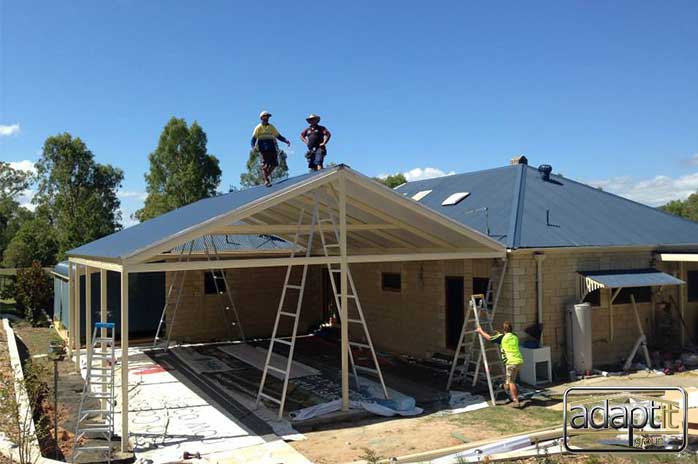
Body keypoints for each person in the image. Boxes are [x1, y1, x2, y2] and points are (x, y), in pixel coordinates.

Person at [476, 320, 524, 407]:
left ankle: (515, 400)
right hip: (519, 361)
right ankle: (505, 387)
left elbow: (490, 338)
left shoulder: (502, 338)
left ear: (503, 330)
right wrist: (499, 335)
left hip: (511, 362)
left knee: (511, 382)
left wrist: (480, 331)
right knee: (509, 380)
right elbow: (506, 337)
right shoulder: (515, 336)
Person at [251, 111, 291, 186]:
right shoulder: (258, 127)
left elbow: (278, 136)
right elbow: (253, 139)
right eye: (265, 116)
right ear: (261, 118)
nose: (267, 118)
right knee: (265, 165)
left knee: (275, 164)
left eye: (268, 117)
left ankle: (265, 176)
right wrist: (253, 147)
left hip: (272, 147)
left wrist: (286, 140)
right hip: (263, 149)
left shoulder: (271, 127)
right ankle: (266, 180)